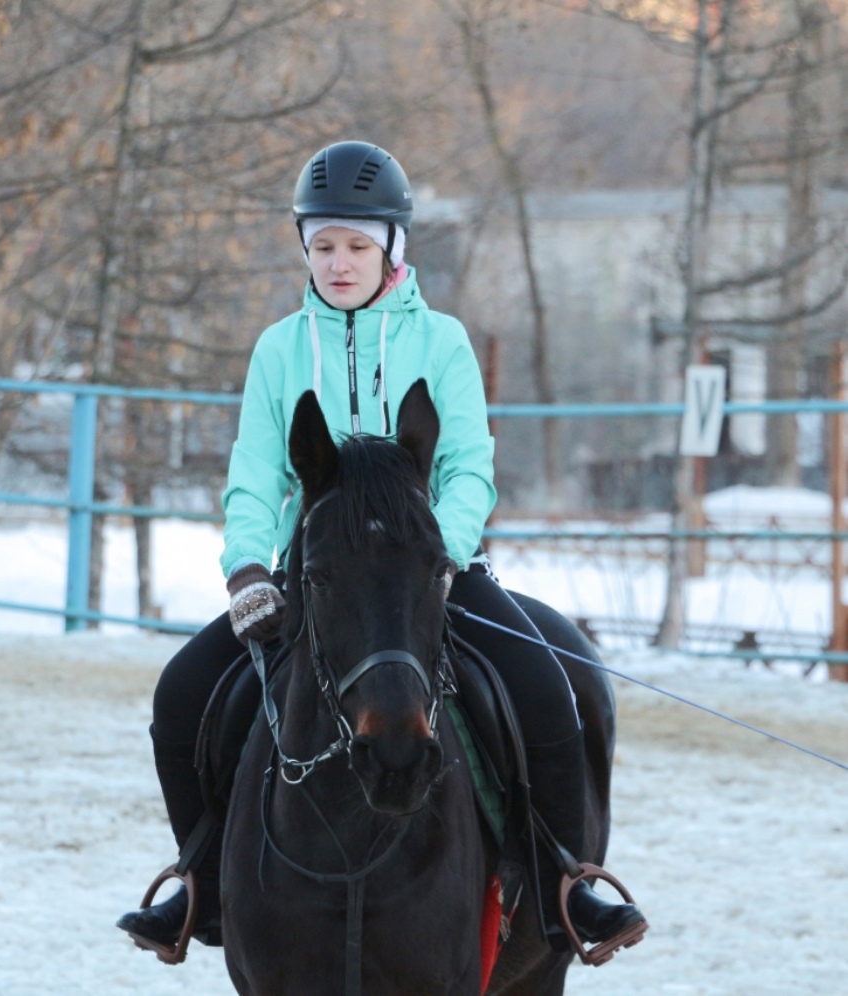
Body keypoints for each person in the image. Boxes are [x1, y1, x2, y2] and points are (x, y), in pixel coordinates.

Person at [117, 140, 646, 957]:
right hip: (315, 580)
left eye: (357, 245)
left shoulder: (443, 341)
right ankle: (201, 881)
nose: (338, 263)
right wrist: (250, 570)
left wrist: (441, 557)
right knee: (182, 696)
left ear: (393, 247)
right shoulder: (278, 351)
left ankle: (565, 886)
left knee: (548, 686)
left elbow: (469, 466)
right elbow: (254, 477)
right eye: (323, 245)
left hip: (430, 571)